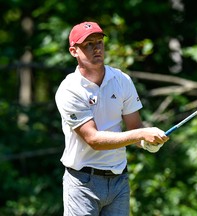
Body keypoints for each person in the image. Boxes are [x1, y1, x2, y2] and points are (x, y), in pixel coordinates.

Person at [55, 21, 169, 216]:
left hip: (119, 181)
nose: (96, 48)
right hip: (82, 183)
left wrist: (150, 143)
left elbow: (135, 126)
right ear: (74, 51)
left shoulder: (121, 80)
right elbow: (94, 140)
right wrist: (141, 133)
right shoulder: (69, 90)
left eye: (99, 42)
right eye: (88, 44)